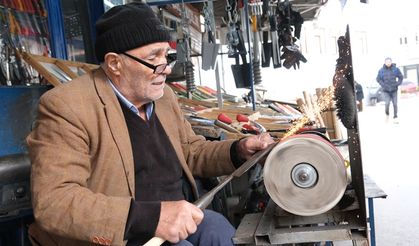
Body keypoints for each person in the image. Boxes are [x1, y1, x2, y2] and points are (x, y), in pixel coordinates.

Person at [26, 2, 274, 246]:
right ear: (114, 63)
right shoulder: (67, 106)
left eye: (167, 56)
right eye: (154, 58)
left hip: (174, 219)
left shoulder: (163, 97)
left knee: (218, 230)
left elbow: (190, 151)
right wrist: (153, 218)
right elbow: (55, 202)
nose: (166, 69)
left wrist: (238, 149)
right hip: (123, 233)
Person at [376, 57, 403, 123]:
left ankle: (395, 117)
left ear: (391, 62)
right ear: (385, 62)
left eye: (389, 62)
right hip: (385, 91)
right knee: (387, 103)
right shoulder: (381, 70)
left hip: (394, 90)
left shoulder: (395, 69)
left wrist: (397, 83)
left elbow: (401, 77)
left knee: (395, 104)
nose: (388, 63)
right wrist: (383, 84)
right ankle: (387, 114)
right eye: (387, 62)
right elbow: (378, 79)